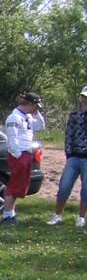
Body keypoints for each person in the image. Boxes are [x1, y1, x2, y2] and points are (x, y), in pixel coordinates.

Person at [1, 91, 45, 224]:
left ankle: (11, 213)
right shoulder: (14, 118)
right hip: (19, 154)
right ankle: (6, 215)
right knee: (14, 185)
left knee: (20, 185)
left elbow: (41, 126)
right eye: (35, 106)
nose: (35, 109)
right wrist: (18, 155)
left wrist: (37, 113)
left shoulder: (28, 117)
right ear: (30, 104)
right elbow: (12, 138)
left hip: (26, 153)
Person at [47, 86, 87, 228]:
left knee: (86, 190)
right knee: (64, 186)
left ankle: (81, 217)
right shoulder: (74, 115)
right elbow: (69, 134)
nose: (85, 100)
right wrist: (69, 154)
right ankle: (57, 215)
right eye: (84, 97)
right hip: (74, 157)